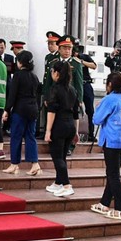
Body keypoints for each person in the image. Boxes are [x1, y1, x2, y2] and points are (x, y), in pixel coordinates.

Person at [89, 71, 121, 220]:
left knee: (113, 175)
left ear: (109, 84)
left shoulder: (109, 99)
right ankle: (104, 203)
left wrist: (98, 108)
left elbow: (96, 119)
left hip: (112, 141)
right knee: (113, 173)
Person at [44, 60, 80, 197]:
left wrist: (48, 131)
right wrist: (76, 131)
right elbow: (76, 112)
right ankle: (58, 182)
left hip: (59, 125)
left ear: (57, 74)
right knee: (62, 156)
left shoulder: (55, 89)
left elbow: (51, 111)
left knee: (57, 157)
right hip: (70, 125)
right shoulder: (73, 89)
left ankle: (66, 184)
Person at [2, 50, 41, 175]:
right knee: (30, 136)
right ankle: (35, 164)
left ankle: (14, 164)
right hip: (33, 109)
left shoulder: (18, 75)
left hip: (20, 109)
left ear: (19, 62)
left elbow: (12, 95)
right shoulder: (35, 77)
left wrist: (7, 109)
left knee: (16, 136)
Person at [74, 42, 98, 140]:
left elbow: (94, 66)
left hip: (86, 84)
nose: (76, 53)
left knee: (90, 110)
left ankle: (91, 133)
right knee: (74, 108)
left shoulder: (84, 57)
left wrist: (81, 61)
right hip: (75, 85)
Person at [40, 31, 61, 138]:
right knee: (45, 109)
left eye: (52, 43)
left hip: (55, 89)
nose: (50, 46)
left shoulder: (58, 58)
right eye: (48, 43)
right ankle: (44, 130)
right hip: (47, 88)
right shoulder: (48, 57)